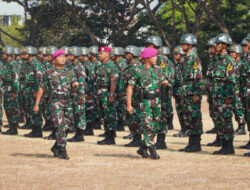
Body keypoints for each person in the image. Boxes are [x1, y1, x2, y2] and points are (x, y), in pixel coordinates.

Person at [33, 49, 80, 159]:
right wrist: (36, 104)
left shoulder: (70, 72)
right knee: (60, 125)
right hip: (55, 102)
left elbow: (74, 85)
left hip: (68, 102)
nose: (63, 59)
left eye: (64, 57)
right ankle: (62, 150)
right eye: (60, 57)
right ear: (54, 59)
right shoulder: (48, 73)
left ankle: (56, 146)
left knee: (68, 126)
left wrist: (75, 85)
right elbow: (41, 88)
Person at [127, 47, 169, 159]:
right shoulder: (138, 70)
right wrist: (129, 104)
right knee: (147, 126)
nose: (156, 58)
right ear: (147, 57)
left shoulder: (158, 70)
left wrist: (165, 83)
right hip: (144, 102)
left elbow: (163, 81)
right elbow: (130, 87)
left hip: (157, 101)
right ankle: (152, 149)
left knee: (155, 126)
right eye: (154, 56)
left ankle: (142, 148)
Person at [211, 33, 237, 155]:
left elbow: (231, 81)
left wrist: (229, 96)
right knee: (219, 120)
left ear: (225, 45)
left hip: (224, 96)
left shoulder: (229, 60)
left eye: (218, 44)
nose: (216, 46)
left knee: (226, 120)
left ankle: (229, 146)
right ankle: (224, 145)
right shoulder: (216, 60)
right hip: (216, 96)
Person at [178, 34, 203, 153]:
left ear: (190, 45)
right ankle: (191, 142)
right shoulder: (186, 59)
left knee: (194, 118)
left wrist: (197, 93)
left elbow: (198, 77)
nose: (182, 46)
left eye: (184, 44)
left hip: (192, 92)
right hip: (185, 93)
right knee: (188, 117)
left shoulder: (194, 59)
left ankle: (196, 143)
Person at [96, 47, 119, 145]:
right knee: (104, 115)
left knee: (110, 115)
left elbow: (113, 81)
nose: (99, 55)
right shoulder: (102, 65)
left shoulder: (111, 65)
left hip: (107, 92)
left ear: (107, 54)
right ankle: (107, 135)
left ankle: (111, 138)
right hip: (101, 93)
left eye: (101, 53)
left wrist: (111, 94)